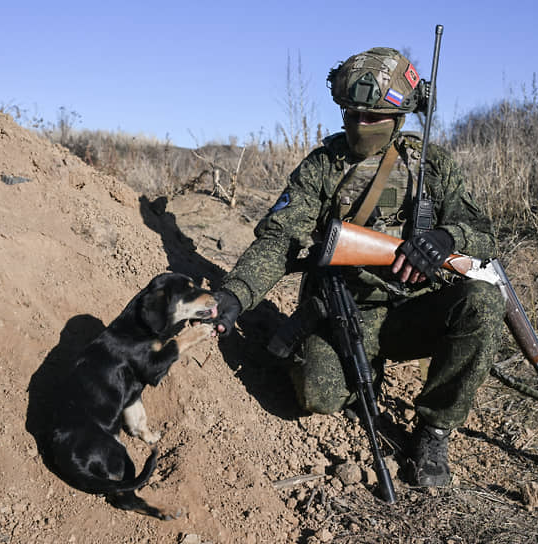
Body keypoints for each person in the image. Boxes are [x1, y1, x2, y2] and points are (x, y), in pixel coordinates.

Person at [212, 47, 504, 487]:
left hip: (413, 312)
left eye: (372, 117)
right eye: (352, 114)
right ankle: (346, 366)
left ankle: (434, 430)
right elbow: (280, 240)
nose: (359, 125)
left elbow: (483, 234)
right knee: (320, 395)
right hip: (345, 311)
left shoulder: (433, 165)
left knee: (482, 302)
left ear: (400, 115)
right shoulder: (324, 166)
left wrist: (445, 239)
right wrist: (235, 294)